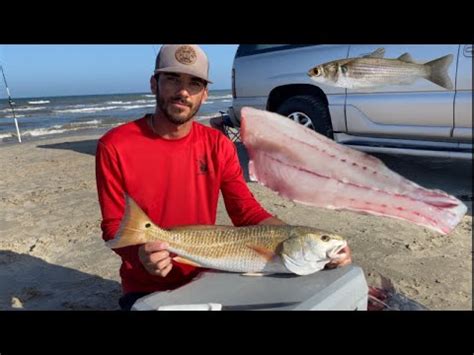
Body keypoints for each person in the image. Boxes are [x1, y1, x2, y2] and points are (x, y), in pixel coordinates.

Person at [95, 44, 352, 310]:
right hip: (145, 285)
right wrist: (140, 256)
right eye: (172, 79)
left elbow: (246, 211)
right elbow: (115, 226)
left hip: (210, 273)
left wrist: (308, 247)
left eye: (194, 83)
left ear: (204, 94)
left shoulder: (218, 145)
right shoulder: (115, 145)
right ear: (154, 83)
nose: (183, 92)